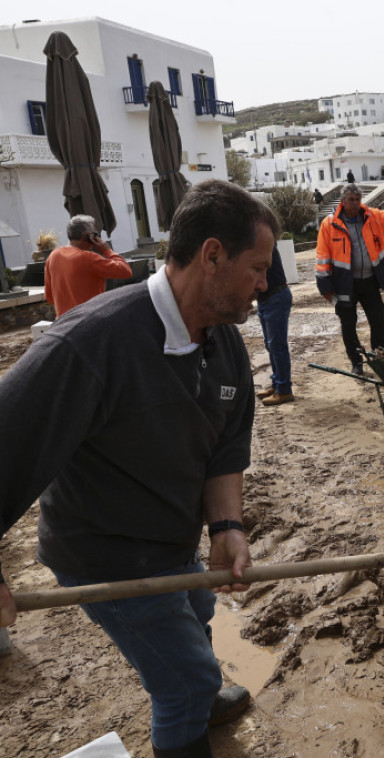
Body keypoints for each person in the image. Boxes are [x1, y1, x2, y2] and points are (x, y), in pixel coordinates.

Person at [0, 179, 280, 757]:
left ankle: (200, 690)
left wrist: (226, 527)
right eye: (257, 267)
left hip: (172, 536)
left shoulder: (223, 341)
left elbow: (226, 445)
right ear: (211, 256)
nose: (266, 283)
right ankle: (192, 696)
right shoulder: (90, 345)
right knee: (181, 682)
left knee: (197, 610)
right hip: (108, 555)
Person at [315, 183, 384, 374]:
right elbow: (322, 257)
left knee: (378, 319)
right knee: (348, 325)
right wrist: (325, 286)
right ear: (343, 201)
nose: (354, 203)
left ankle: (380, 358)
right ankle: (356, 362)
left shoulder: (372, 216)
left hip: (369, 281)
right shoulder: (329, 224)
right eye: (351, 199)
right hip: (344, 284)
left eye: (357, 199)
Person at [44, 214, 133, 317]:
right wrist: (107, 250)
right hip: (89, 320)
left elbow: (50, 297)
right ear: (87, 237)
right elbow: (126, 271)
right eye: (94, 234)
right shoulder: (89, 258)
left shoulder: (53, 256)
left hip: (63, 321)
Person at [256, 243, 295, 406]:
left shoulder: (262, 241)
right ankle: (277, 383)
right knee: (270, 344)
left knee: (277, 345)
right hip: (265, 299)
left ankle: (284, 390)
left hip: (276, 297)